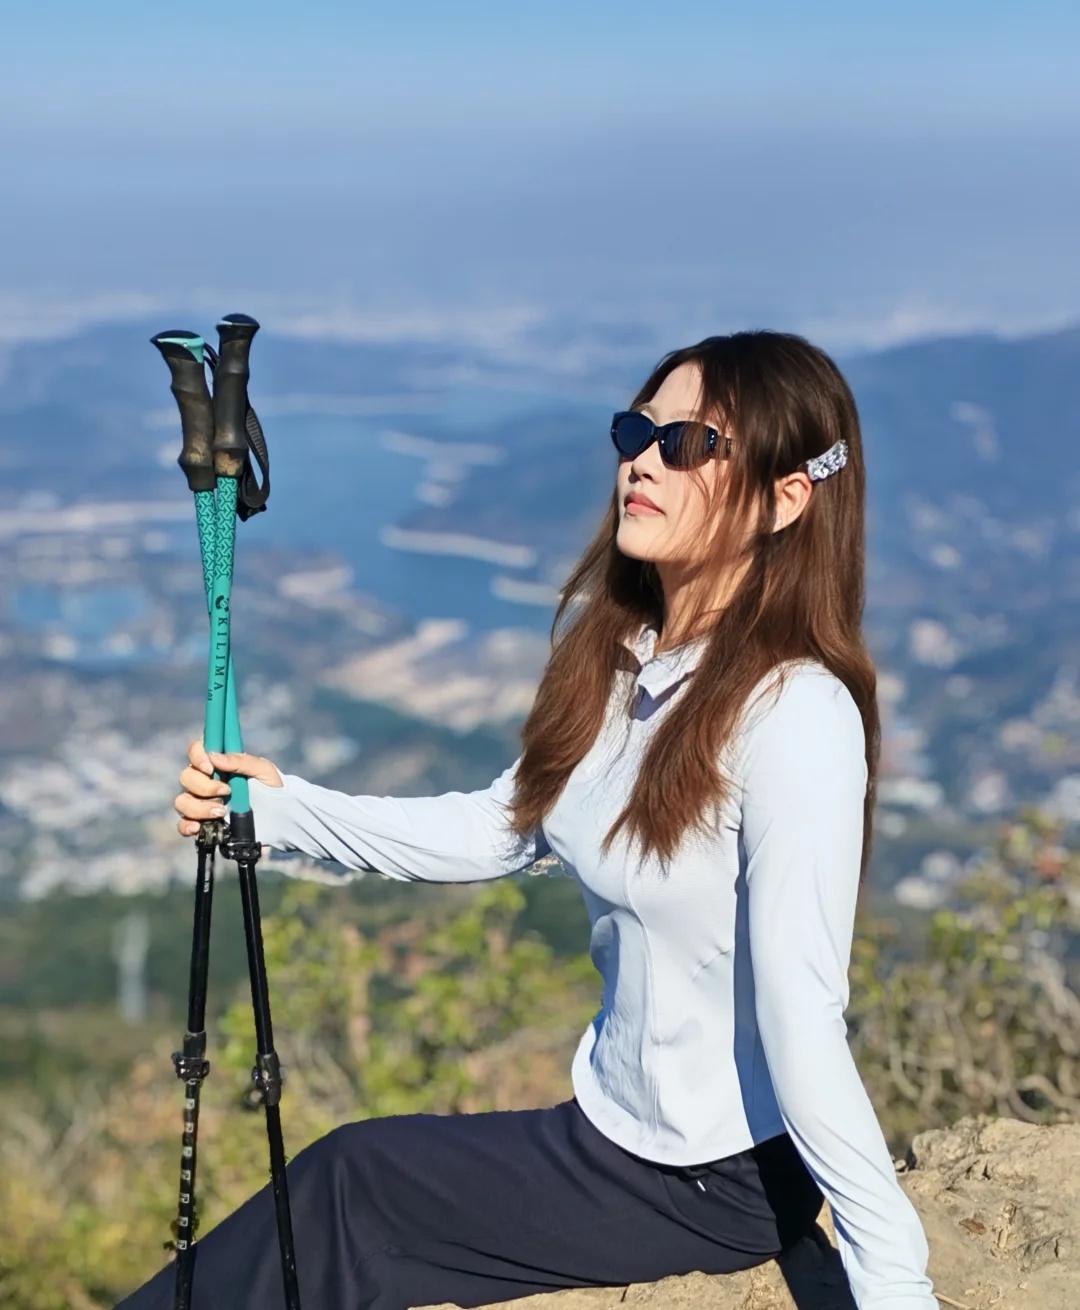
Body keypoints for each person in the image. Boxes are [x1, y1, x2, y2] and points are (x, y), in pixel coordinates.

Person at [116, 330, 938, 1310]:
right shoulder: (627, 661)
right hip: (613, 1129)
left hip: (715, 1177)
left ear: (784, 498)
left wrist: (895, 1277)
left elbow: (803, 1013)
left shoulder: (796, 713)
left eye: (689, 443)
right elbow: (503, 825)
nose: (643, 460)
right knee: (351, 1182)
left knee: (350, 1184)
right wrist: (281, 809)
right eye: (636, 430)